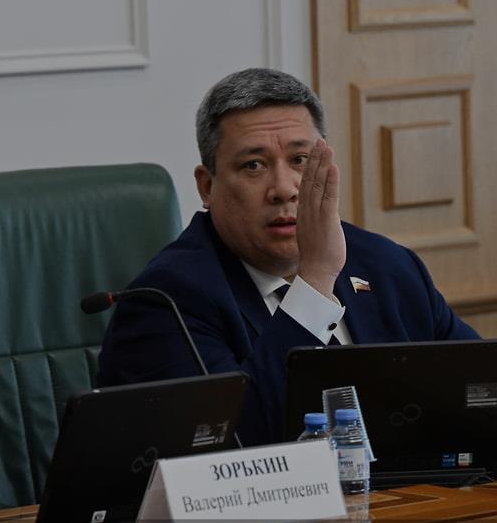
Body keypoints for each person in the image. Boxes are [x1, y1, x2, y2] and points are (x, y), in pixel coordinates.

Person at [98, 68, 478, 446]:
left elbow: (479, 392)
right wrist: (315, 283)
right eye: (253, 165)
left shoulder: (387, 266)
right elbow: (233, 446)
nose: (283, 189)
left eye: (300, 159)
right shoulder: (167, 302)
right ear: (207, 186)